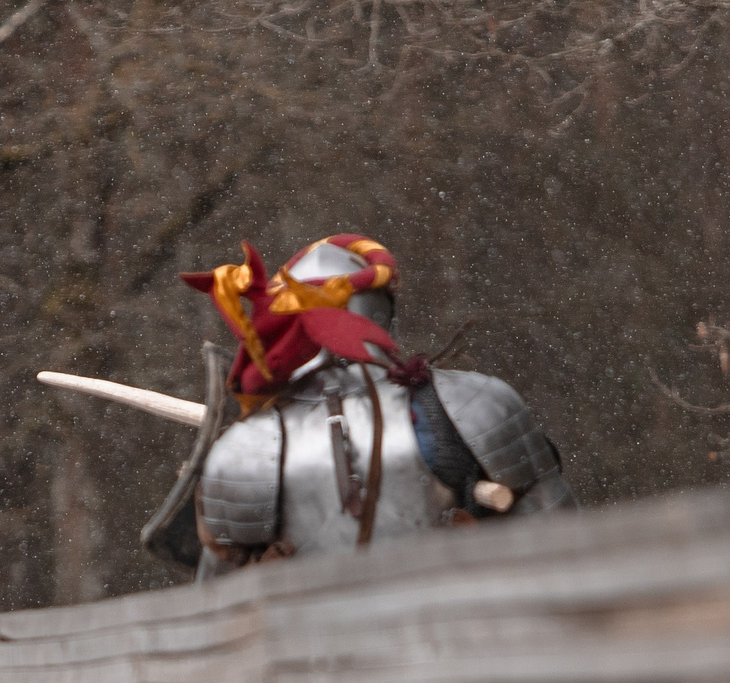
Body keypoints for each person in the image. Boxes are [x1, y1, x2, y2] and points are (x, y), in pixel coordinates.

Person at [141, 233, 573, 574]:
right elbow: (563, 547)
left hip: (320, 667)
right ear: (381, 311)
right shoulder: (474, 402)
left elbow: (220, 609)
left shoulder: (247, 446)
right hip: (461, 650)